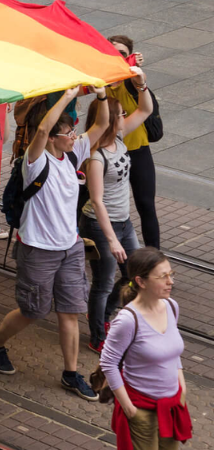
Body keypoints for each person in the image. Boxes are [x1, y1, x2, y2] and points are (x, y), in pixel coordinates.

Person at [0, 85, 112, 399]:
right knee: (33, 310)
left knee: (70, 311)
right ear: (53, 137)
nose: (75, 136)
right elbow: (40, 129)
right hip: (38, 250)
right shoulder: (35, 161)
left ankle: (70, 373)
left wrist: (102, 95)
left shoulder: (73, 154)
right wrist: (67, 95)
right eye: (69, 132)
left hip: (70, 248)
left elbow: (102, 125)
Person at [97, 248, 191, 450]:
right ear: (141, 281)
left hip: (171, 405)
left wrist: (182, 386)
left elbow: (172, 349)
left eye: (171, 274)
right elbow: (108, 362)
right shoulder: (129, 319)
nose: (171, 281)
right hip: (141, 408)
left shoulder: (171, 306)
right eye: (163, 276)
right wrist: (128, 407)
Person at [84, 69, 153, 352]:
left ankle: (104, 315)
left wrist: (141, 82)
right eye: (121, 114)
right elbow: (97, 200)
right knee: (102, 282)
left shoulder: (120, 137)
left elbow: (146, 109)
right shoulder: (95, 156)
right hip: (101, 226)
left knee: (132, 274)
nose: (126, 117)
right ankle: (97, 336)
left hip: (123, 223)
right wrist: (111, 239)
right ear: (110, 121)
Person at [106, 35, 160, 250]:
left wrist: (136, 69)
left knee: (146, 205)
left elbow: (141, 80)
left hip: (137, 151)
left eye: (123, 53)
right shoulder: (103, 78)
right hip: (109, 153)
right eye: (113, 52)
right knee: (92, 201)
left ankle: (154, 255)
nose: (118, 56)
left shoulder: (132, 78)